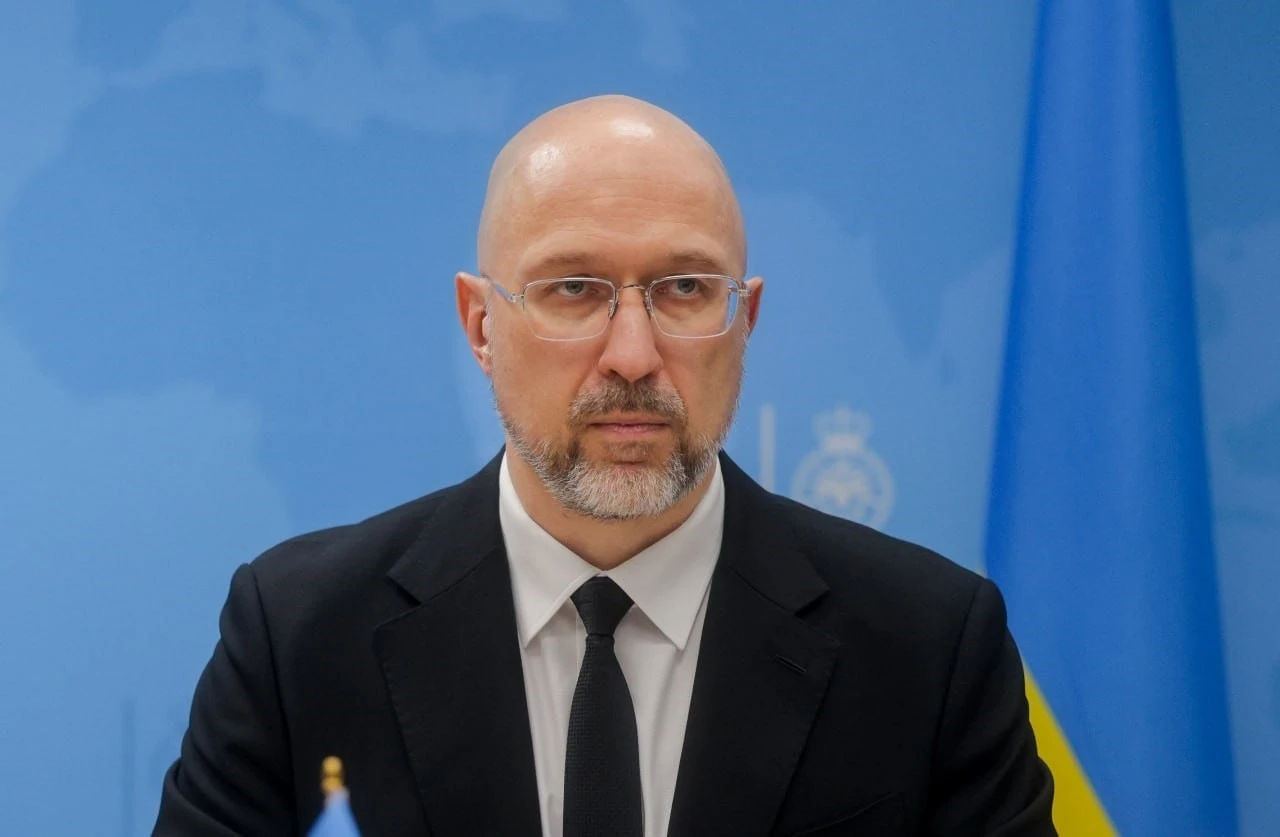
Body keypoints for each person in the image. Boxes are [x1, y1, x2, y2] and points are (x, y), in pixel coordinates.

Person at [154, 95, 1055, 836]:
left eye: (686, 288)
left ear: (744, 322)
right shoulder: (298, 637)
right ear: (481, 325)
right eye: (574, 289)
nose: (632, 354)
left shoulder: (930, 648)